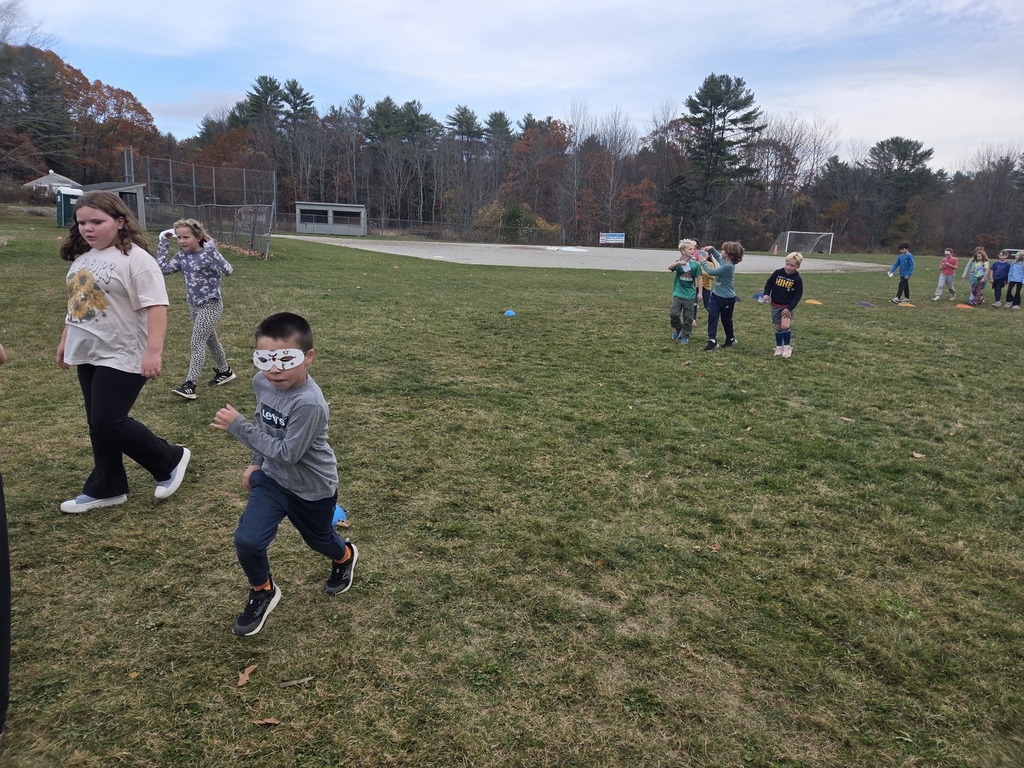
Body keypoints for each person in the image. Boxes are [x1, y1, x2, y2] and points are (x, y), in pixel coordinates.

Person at [211, 312, 357, 637]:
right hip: (274, 480)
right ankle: (263, 590)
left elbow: (289, 454)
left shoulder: (310, 404)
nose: (274, 369)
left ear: (308, 358)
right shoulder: (261, 381)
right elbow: (264, 423)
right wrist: (256, 462)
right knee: (247, 540)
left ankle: (345, 556)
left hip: (312, 488)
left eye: (285, 360)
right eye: (264, 359)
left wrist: (238, 428)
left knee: (319, 541)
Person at [56, 192, 191, 514]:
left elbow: (157, 306)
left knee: (108, 420)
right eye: (82, 222)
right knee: (96, 422)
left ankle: (170, 458)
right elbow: (78, 303)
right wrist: (65, 339)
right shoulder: (84, 257)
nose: (88, 229)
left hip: (123, 351)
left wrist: (153, 352)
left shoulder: (137, 259)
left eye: (97, 222)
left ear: (119, 221)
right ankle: (108, 486)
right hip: (88, 349)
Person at [155, 219, 236, 399]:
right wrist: (163, 242)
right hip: (194, 306)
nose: (182, 241)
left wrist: (212, 249)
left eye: (186, 237)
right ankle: (225, 371)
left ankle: (189, 384)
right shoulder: (182, 256)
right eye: (179, 238)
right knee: (210, 339)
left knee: (197, 341)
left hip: (211, 305)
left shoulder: (208, 254)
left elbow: (228, 270)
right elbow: (162, 269)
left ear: (198, 236)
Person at [697, 241, 742, 351]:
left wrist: (703, 262)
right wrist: (712, 249)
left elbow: (711, 272)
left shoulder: (728, 267)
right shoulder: (725, 263)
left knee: (726, 320)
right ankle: (712, 340)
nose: (721, 252)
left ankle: (730, 339)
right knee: (712, 316)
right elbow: (719, 258)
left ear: (729, 254)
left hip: (727, 298)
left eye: (723, 250)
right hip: (716, 296)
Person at [762, 252, 804, 358]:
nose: (788, 267)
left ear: (797, 267)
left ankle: (787, 347)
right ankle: (779, 347)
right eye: (787, 264)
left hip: (787, 306)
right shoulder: (777, 273)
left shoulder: (797, 279)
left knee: (785, 325)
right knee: (778, 326)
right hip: (775, 304)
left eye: (792, 265)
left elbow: (797, 295)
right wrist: (766, 294)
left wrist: (790, 308)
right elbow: (769, 283)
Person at [667, 239, 703, 345]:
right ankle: (678, 328)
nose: (692, 251)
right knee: (674, 314)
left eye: (693, 249)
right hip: (678, 293)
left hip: (690, 295)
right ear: (683, 251)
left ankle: (685, 335)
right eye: (690, 249)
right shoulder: (678, 262)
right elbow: (669, 267)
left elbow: (699, 278)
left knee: (688, 317)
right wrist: (678, 263)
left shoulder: (696, 265)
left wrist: (700, 293)